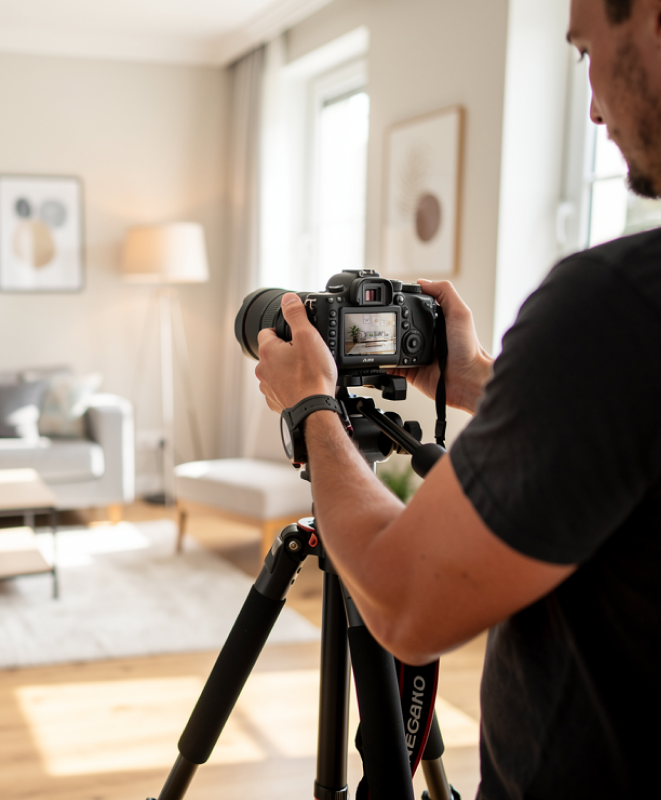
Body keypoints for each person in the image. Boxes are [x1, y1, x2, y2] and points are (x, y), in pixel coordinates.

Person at [251, 0, 661, 795]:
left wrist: (312, 410)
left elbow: (405, 607)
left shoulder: (615, 305)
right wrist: (481, 382)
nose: (591, 103)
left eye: (585, 51)